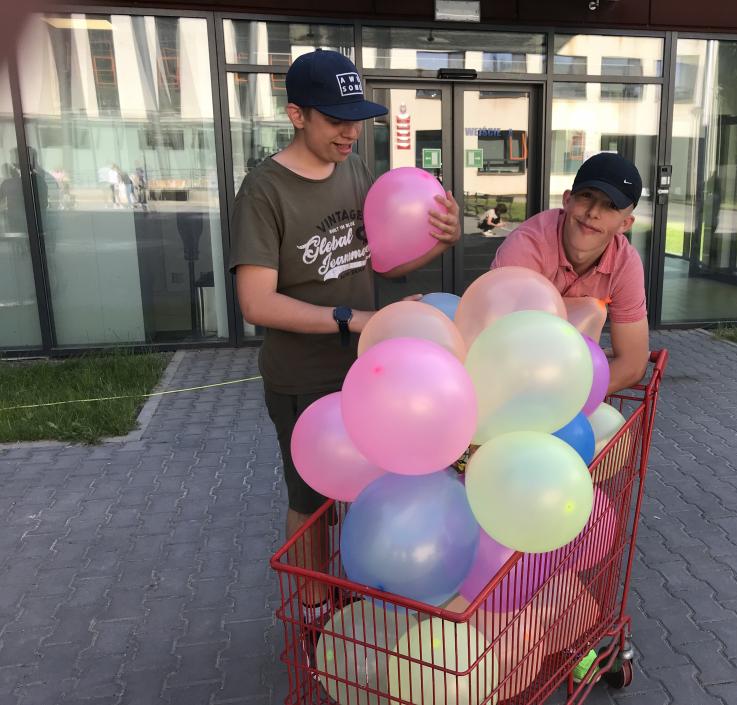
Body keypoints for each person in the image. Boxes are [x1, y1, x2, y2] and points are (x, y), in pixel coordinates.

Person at [228, 49, 461, 639]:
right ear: (296, 115)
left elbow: (378, 262)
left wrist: (440, 243)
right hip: (303, 377)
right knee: (311, 500)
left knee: (374, 489)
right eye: (335, 120)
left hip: (367, 368)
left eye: (356, 119)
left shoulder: (355, 170)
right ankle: (311, 613)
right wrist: (353, 319)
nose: (350, 132)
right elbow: (256, 303)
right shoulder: (264, 191)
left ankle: (371, 586)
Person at [491, 152, 649, 391]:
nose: (593, 212)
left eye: (611, 205)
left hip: (564, 379)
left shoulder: (625, 264)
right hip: (511, 376)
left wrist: (571, 400)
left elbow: (633, 363)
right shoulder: (526, 247)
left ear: (625, 224)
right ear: (567, 200)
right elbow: (500, 344)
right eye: (587, 196)